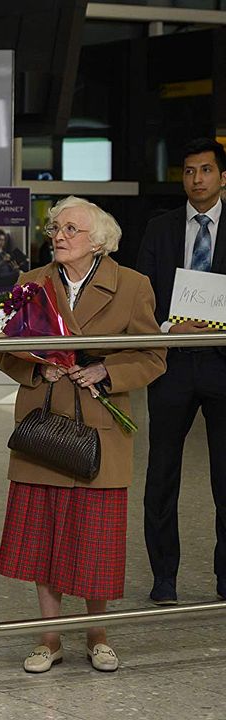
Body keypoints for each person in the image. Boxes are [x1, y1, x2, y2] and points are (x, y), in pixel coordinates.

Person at [0, 196, 165, 673]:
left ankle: (97, 634)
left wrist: (106, 372)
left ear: (100, 241)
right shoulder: (31, 285)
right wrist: (37, 373)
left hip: (100, 430)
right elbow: (1, 348)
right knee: (41, 540)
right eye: (55, 228)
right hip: (43, 428)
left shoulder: (133, 286)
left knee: (95, 540)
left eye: (71, 229)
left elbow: (154, 356)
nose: (59, 236)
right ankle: (49, 639)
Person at [137, 137, 226, 605]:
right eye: (189, 171)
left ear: (223, 177)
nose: (197, 179)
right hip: (171, 365)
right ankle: (164, 578)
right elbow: (142, 294)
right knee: (162, 474)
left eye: (206, 171)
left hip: (222, 365)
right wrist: (171, 325)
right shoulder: (161, 228)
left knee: (225, 477)